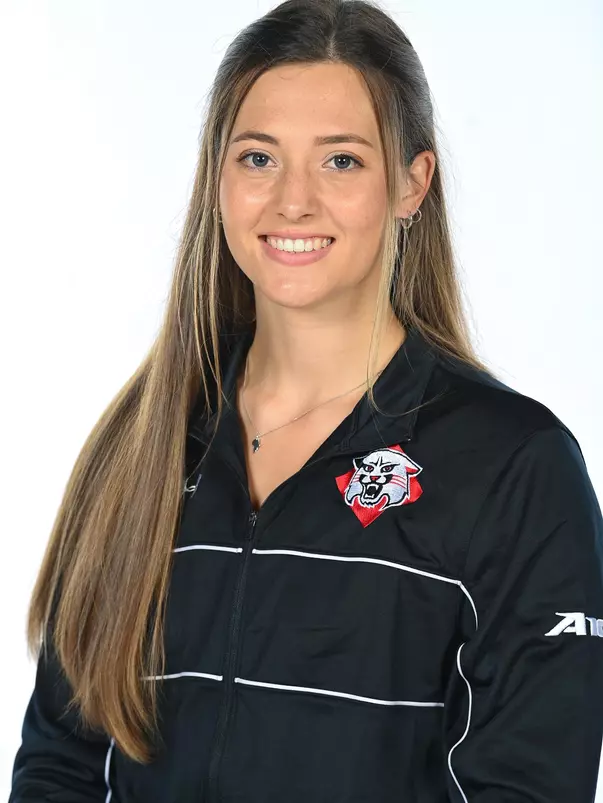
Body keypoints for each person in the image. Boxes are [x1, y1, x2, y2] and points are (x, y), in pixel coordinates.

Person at [9, 0, 603, 801]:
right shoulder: (142, 445)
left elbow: (530, 785)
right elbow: (60, 766)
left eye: (341, 161)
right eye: (257, 158)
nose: (292, 200)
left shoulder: (512, 466)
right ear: (216, 175)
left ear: (410, 182)